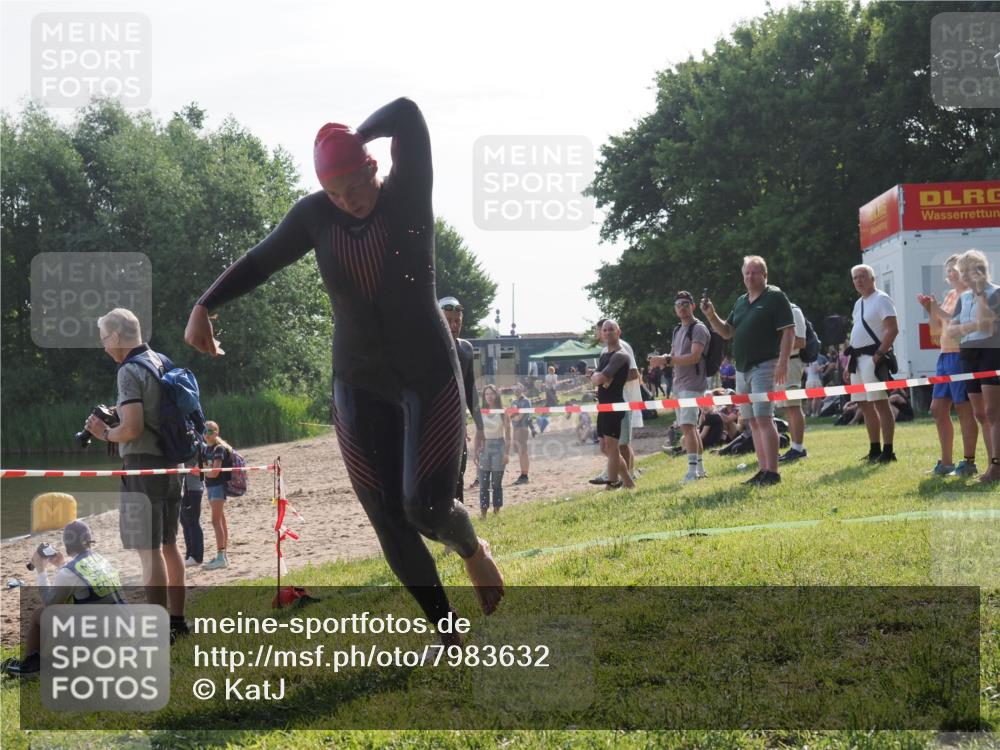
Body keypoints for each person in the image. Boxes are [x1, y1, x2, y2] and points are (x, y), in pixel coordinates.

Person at [184, 98, 504, 634]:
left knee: (424, 508)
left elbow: (406, 113)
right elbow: (259, 262)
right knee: (387, 519)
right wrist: (203, 305)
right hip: (358, 383)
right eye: (334, 192)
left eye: (353, 186)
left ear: (373, 166)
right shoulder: (315, 216)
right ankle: (446, 629)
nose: (346, 201)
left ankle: (472, 548)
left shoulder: (406, 192)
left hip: (426, 373)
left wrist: (352, 135)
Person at [86, 308, 186, 637]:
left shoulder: (128, 370)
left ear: (116, 336)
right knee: (170, 545)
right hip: (173, 463)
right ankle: (177, 622)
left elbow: (132, 428)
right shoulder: (161, 361)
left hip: (144, 464)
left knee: (149, 549)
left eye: (103, 339)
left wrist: (103, 432)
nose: (103, 347)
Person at [701, 256, 794, 486]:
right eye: (746, 273)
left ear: (765, 275)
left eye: (755, 272)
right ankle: (763, 470)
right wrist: (711, 315)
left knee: (764, 418)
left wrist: (783, 362)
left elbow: (789, 331)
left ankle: (773, 472)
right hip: (741, 370)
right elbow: (727, 331)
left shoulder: (775, 297)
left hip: (764, 366)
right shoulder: (742, 301)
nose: (750, 277)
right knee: (752, 421)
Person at [2, 521, 123, 676]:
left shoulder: (68, 573)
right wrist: (60, 565)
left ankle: (31, 666)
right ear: (89, 541)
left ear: (66, 545)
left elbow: (50, 603)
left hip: (96, 639)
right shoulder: (102, 560)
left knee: (40, 614)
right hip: (119, 633)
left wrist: (40, 570)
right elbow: (80, 587)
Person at [916, 253, 979, 476]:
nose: (950, 274)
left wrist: (936, 308)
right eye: (948, 270)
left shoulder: (971, 295)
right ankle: (946, 462)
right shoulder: (951, 295)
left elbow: (956, 324)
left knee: (964, 409)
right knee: (937, 409)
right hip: (945, 356)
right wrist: (930, 310)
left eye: (955, 269)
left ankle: (969, 462)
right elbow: (936, 334)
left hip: (961, 357)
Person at [649, 291, 710, 483]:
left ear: (692, 306)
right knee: (689, 428)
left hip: (693, 384)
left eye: (685, 303)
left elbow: (694, 356)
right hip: (679, 384)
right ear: (675, 310)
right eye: (678, 305)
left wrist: (667, 359)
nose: (682, 307)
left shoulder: (698, 328)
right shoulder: (677, 330)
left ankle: (692, 472)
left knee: (688, 426)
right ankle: (699, 469)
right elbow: (674, 354)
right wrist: (662, 361)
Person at [950, 249, 1000, 483]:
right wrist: (970, 327)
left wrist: (980, 293)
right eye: (962, 274)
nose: (964, 278)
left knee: (993, 412)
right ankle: (992, 465)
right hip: (968, 353)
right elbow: (950, 331)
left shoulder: (994, 293)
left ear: (980, 270)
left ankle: (996, 466)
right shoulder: (964, 298)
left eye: (967, 273)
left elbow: (988, 327)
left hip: (991, 352)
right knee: (980, 413)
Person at [846, 264, 900, 463]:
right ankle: (874, 448)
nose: (858, 281)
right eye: (855, 278)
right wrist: (848, 365)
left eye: (862, 276)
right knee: (863, 404)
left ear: (872, 278)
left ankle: (888, 450)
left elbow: (892, 329)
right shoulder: (858, 303)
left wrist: (879, 354)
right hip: (857, 359)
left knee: (880, 403)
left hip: (872, 358)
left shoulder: (882, 299)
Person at [439, 296, 485, 504]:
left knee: (457, 475)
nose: (453, 325)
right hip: (427, 425)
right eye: (447, 320)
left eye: (457, 320)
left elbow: (470, 389)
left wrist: (481, 428)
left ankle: (455, 527)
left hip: (456, 426)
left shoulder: (466, 348)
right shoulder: (423, 347)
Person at [589, 318, 642, 484]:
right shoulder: (605, 353)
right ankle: (628, 481)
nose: (607, 332)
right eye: (604, 330)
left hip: (616, 405)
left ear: (618, 332)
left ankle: (613, 484)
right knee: (605, 447)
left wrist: (599, 377)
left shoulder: (621, 355)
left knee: (615, 447)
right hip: (603, 406)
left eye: (610, 329)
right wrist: (599, 377)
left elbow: (601, 378)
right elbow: (599, 377)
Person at [776, 302, 809, 463]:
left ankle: (798, 448)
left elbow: (801, 341)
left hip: (792, 362)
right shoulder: (778, 312)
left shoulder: (794, 311)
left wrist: (775, 347)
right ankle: (795, 447)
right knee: (788, 408)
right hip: (781, 363)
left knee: (794, 406)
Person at [202, 420, 233, 570]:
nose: (206, 434)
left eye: (209, 431)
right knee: (220, 520)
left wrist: (200, 472)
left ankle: (221, 557)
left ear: (216, 433)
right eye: (204, 431)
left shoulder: (219, 449)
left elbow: (214, 472)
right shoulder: (206, 449)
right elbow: (208, 469)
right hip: (210, 487)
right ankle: (223, 555)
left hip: (218, 487)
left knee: (215, 521)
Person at [478, 384, 511, 517]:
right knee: (483, 483)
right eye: (487, 394)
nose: (489, 396)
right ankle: (483, 514)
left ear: (496, 395)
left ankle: (496, 512)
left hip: (499, 446)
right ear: (484, 396)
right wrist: (476, 451)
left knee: (496, 483)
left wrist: (507, 453)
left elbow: (508, 435)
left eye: (492, 393)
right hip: (484, 447)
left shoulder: (503, 412)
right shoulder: (481, 412)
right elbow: (478, 432)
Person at [180, 448, 205, 567]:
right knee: (184, 521)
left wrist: (187, 468)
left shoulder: (198, 448)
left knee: (193, 521)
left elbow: (200, 470)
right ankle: (189, 554)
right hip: (185, 489)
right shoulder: (184, 449)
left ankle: (196, 556)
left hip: (195, 489)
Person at [509, 383, 532, 485]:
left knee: (523, 452)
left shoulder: (526, 401)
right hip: (515, 428)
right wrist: (514, 414)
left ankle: (525, 475)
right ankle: (523, 474)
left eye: (518, 388)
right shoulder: (514, 401)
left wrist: (514, 414)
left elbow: (519, 417)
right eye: (514, 388)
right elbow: (512, 416)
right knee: (519, 452)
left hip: (523, 428)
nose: (516, 390)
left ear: (522, 389)